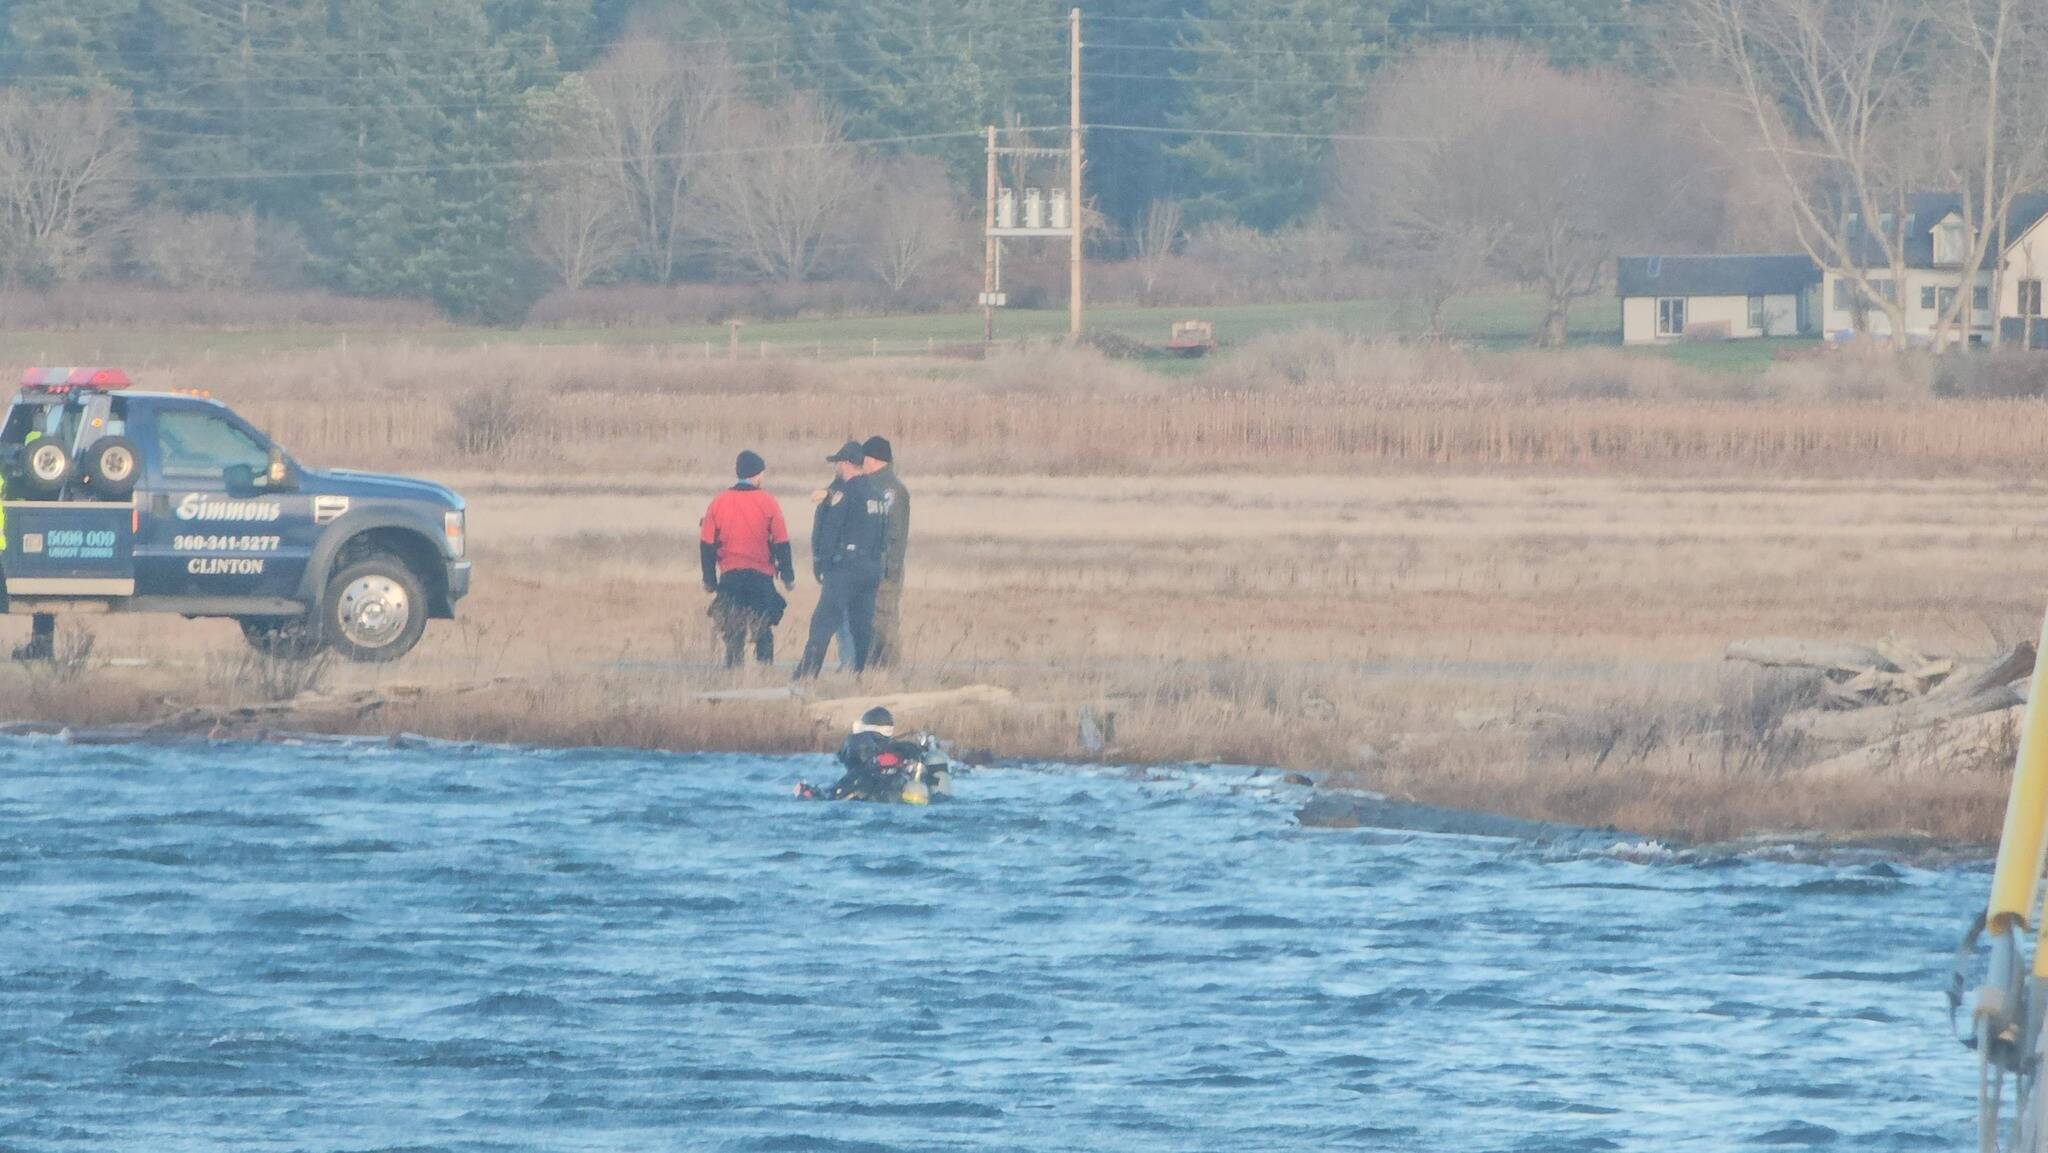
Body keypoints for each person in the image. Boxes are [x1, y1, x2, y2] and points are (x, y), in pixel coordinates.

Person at [793, 441, 888, 679]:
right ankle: (861, 673)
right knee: (861, 626)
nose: (836, 467)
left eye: (838, 462)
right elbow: (883, 537)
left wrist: (822, 564)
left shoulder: (844, 494)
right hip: (871, 568)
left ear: (846, 464)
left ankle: (806, 674)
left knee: (823, 623)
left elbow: (830, 532)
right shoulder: (877, 497)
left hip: (846, 567)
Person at [699, 450, 796, 668]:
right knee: (763, 631)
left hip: (731, 576)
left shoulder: (718, 502)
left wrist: (709, 579)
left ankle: (733, 674)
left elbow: (706, 544)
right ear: (757, 474)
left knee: (733, 631)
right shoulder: (768, 502)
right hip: (760, 577)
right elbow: (781, 541)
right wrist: (788, 575)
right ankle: (765, 673)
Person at [860, 436, 910, 668]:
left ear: (873, 459)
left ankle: (892, 671)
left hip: (884, 569)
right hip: (870, 567)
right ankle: (872, 670)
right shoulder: (872, 485)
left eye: (864, 458)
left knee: (885, 622)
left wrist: (888, 567)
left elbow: (895, 533)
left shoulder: (890, 490)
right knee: (870, 623)